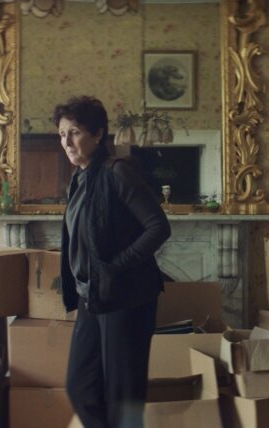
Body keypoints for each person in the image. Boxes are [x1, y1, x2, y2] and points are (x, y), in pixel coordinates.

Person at [55, 96, 171, 427]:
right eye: (62, 134)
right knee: (81, 386)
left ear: (97, 134)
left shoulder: (117, 172)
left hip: (126, 296)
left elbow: (158, 227)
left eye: (75, 132)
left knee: (124, 396)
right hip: (92, 296)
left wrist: (115, 267)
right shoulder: (79, 178)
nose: (67, 142)